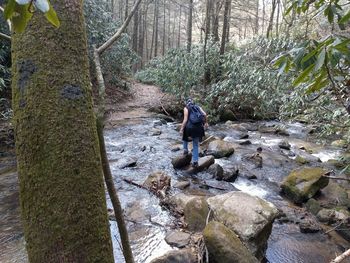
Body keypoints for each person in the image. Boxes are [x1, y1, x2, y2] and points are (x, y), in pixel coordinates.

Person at [180, 98, 208, 167]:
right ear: (193, 103)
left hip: (190, 128)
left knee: (185, 136)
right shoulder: (198, 107)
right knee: (195, 144)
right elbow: (204, 114)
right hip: (198, 127)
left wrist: (181, 128)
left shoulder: (186, 108)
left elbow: (185, 120)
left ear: (187, 103)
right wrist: (206, 123)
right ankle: (195, 162)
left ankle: (185, 150)